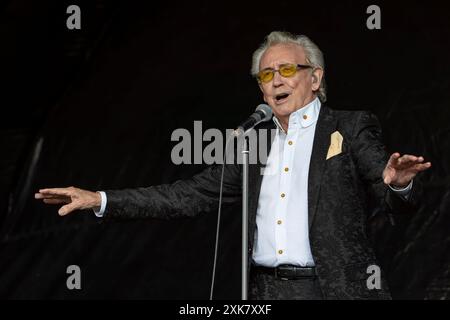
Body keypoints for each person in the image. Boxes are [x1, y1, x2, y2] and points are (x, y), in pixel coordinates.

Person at [34, 31, 431, 299]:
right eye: (266, 74)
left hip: (332, 289)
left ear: (315, 78)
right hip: (264, 291)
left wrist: (396, 184)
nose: (277, 79)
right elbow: (185, 196)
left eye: (288, 69)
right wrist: (100, 198)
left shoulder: (349, 125)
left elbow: (388, 190)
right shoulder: (253, 142)